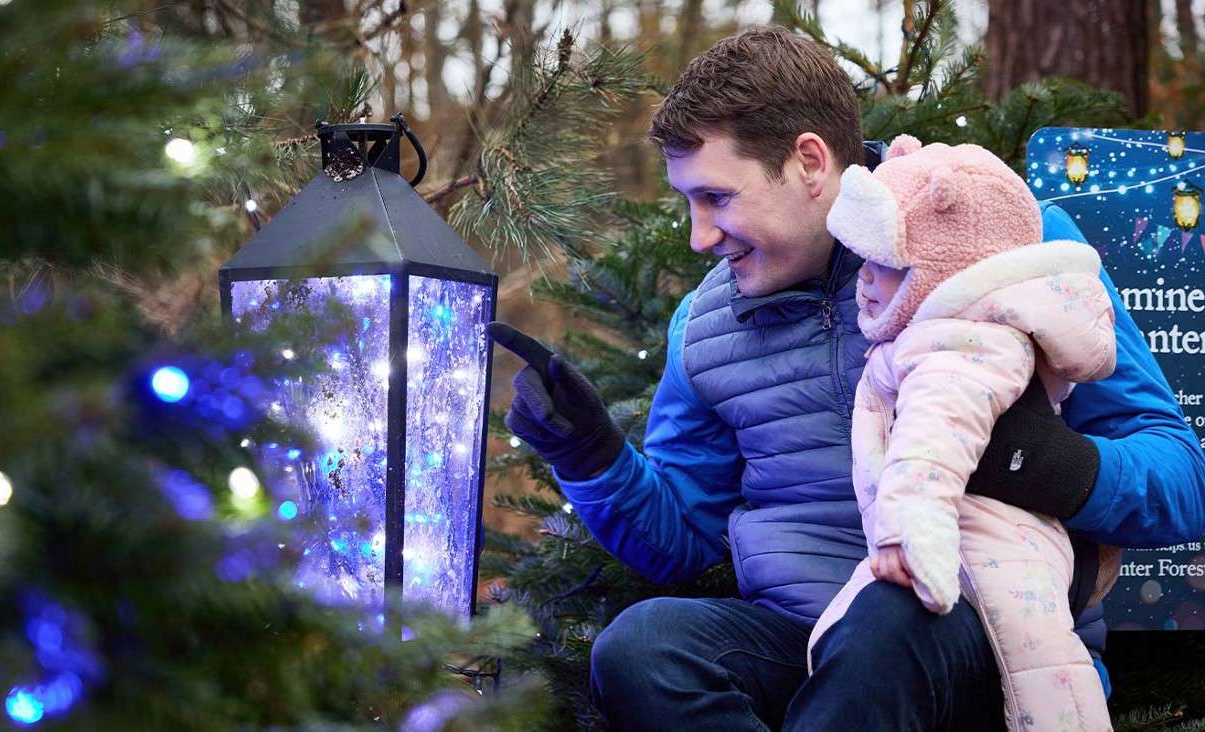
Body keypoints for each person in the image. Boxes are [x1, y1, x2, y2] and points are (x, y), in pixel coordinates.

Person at [490, 25, 1205, 730]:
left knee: (887, 623)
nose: (698, 235)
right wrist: (590, 457)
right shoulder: (703, 326)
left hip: (987, 635)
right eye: (688, 202)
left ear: (808, 161)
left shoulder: (1006, 243)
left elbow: (1182, 477)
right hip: (802, 638)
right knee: (645, 649)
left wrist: (1048, 464)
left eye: (717, 197)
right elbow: (684, 541)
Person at [810, 134, 1118, 731]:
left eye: (888, 267)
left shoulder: (961, 343)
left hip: (989, 544)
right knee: (847, 640)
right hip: (960, 535)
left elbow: (935, 440)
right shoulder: (938, 332)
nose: (865, 282)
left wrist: (907, 532)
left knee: (1044, 674)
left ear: (950, 265)